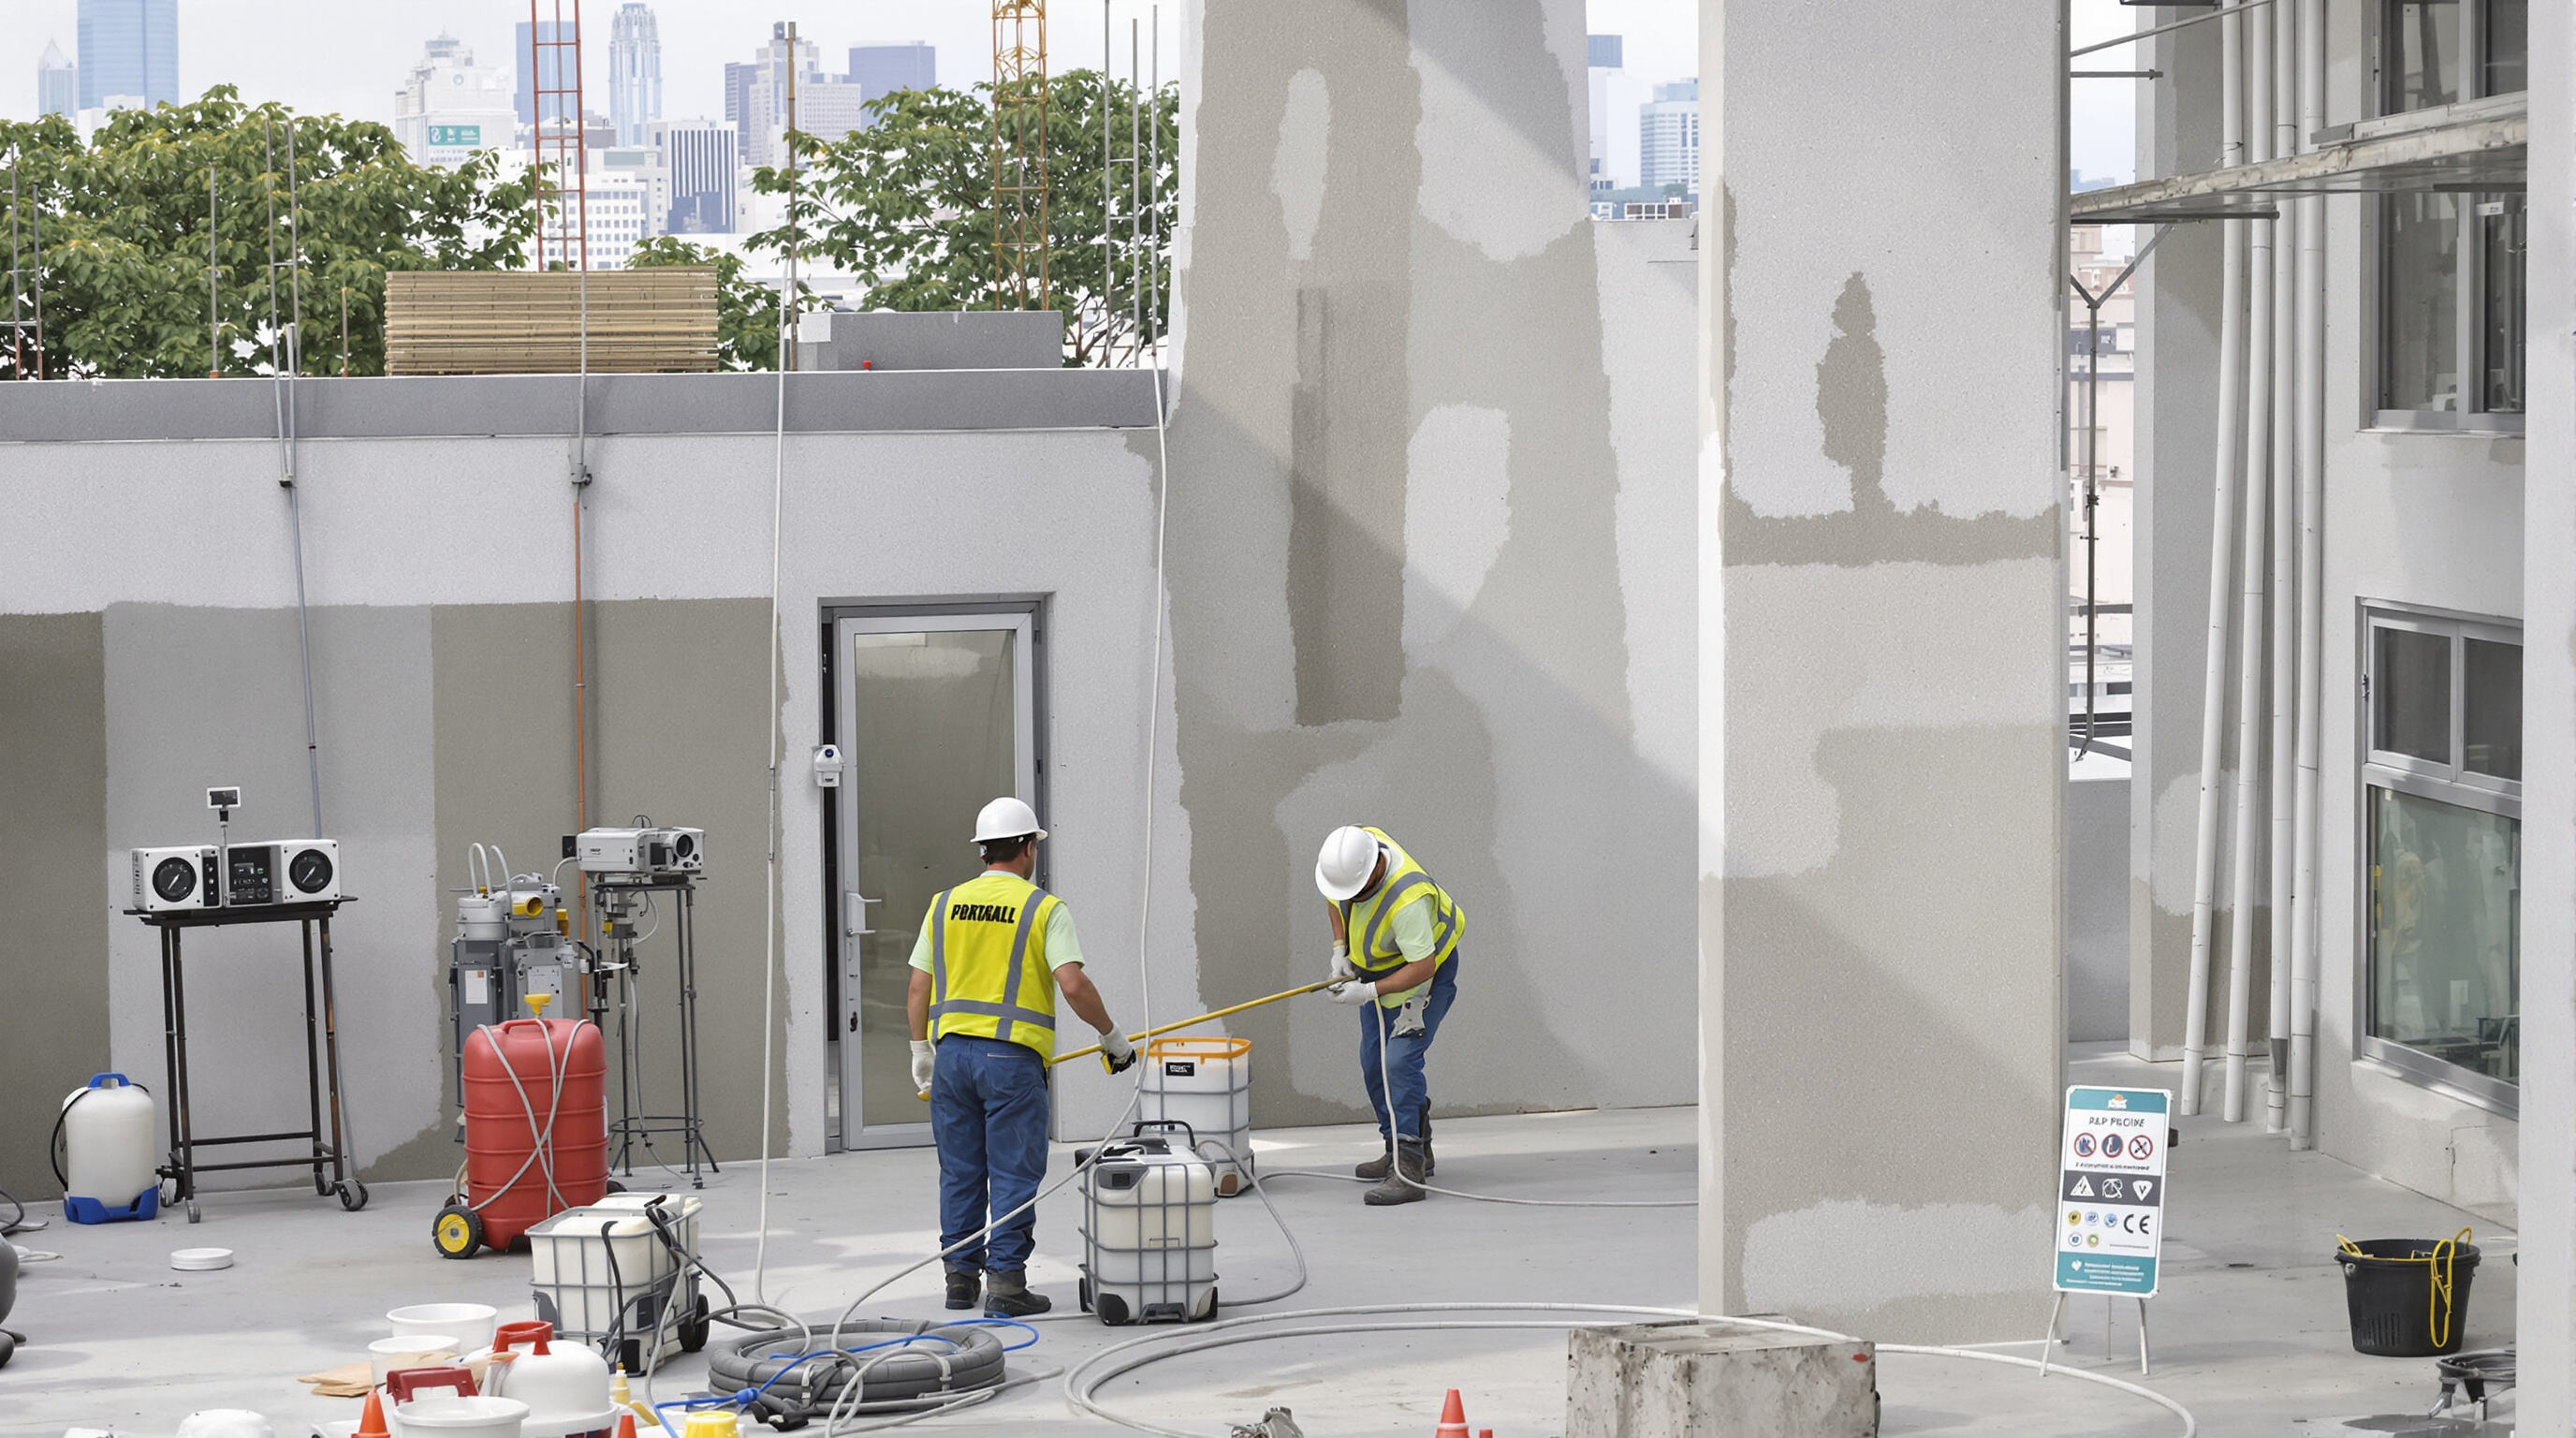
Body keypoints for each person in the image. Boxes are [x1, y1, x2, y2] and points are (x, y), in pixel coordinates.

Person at [908, 796, 1137, 1316]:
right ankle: (1007, 1288)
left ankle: (960, 1281)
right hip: (1010, 1063)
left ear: (983, 850)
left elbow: (918, 986)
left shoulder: (943, 904)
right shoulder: (1043, 908)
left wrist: (921, 1050)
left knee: (960, 1171)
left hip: (951, 1059)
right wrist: (1111, 1037)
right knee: (1013, 1172)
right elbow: (1073, 985)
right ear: (1029, 848)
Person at [1313, 824, 1465, 1205]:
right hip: (1380, 968)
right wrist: (1340, 950)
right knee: (1373, 1062)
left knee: (1398, 1062)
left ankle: (1409, 1168)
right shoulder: (1353, 854)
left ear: (1373, 873)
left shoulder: (1407, 899)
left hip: (1420, 975)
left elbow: (1422, 966)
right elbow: (1336, 899)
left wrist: (1366, 991)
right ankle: (1400, 1146)